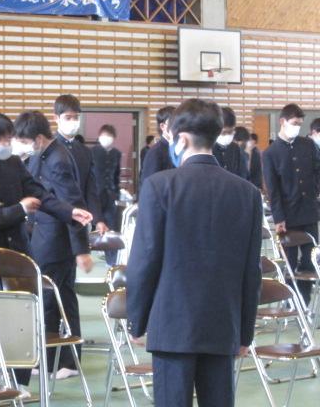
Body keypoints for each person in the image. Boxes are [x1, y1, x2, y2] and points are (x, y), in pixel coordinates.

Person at [127, 98, 262, 407]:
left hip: (171, 323)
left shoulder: (159, 186)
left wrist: (137, 319)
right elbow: (251, 271)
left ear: (182, 138)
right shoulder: (247, 193)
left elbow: (145, 260)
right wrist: (245, 332)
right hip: (223, 322)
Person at [14, 110, 93, 380]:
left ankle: (66, 361)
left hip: (57, 241)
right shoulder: (40, 155)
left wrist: (81, 249)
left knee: (57, 300)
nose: (23, 146)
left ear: (38, 138)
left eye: (25, 141)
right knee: (51, 298)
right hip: (41, 236)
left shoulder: (58, 158)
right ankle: (49, 359)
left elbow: (73, 202)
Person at [263, 104, 320, 305]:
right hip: (288, 215)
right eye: (294, 123)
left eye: (300, 124)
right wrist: (279, 218)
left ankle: (304, 301)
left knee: (310, 260)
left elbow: (317, 170)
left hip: (310, 212)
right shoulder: (270, 153)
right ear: (283, 121)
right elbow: (273, 190)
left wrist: (316, 190)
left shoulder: (307, 145)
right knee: (289, 260)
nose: (297, 127)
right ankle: (290, 299)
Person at [53, 95, 106, 233]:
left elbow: (91, 189)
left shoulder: (85, 151)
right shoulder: (47, 148)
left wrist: (98, 219)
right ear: (56, 118)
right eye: (68, 117)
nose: (73, 121)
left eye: (76, 117)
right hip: (54, 224)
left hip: (80, 223)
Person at [91, 124, 122, 259]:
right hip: (95, 194)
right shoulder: (92, 152)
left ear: (114, 138)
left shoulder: (117, 153)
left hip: (110, 194)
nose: (106, 138)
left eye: (109, 135)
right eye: (103, 135)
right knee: (96, 222)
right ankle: (96, 248)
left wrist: (117, 192)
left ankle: (111, 257)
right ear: (99, 137)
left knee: (111, 224)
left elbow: (116, 174)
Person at [140, 106, 175, 184]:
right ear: (162, 126)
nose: (178, 127)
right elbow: (148, 183)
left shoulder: (180, 148)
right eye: (173, 123)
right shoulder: (155, 152)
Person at [213, 107, 249, 179]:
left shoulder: (236, 149)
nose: (227, 136)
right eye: (223, 133)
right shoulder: (206, 148)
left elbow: (244, 175)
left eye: (230, 132)